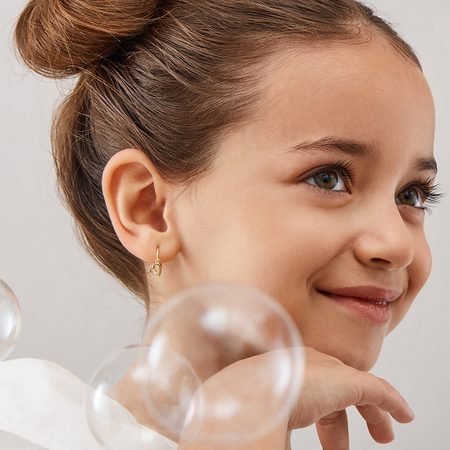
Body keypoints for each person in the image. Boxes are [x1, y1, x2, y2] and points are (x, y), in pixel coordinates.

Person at [4, 0, 442, 449]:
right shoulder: (23, 428)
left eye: (411, 195)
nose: (397, 243)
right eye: (328, 178)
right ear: (148, 209)